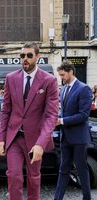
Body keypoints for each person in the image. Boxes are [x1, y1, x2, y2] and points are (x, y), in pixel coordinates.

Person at [0, 42, 59, 200]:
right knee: (13, 176)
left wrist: (41, 143)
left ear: (37, 57)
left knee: (34, 177)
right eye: (22, 56)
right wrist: (2, 139)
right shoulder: (11, 78)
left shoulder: (49, 81)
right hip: (14, 138)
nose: (25, 59)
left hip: (35, 139)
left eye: (29, 55)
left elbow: (51, 115)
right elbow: (6, 110)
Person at [54, 60, 92, 200]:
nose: (61, 78)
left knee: (82, 170)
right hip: (65, 137)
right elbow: (64, 112)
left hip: (79, 138)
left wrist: (61, 121)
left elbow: (83, 115)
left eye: (63, 75)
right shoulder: (63, 89)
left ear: (71, 72)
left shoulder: (84, 88)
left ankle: (87, 198)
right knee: (63, 170)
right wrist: (56, 118)